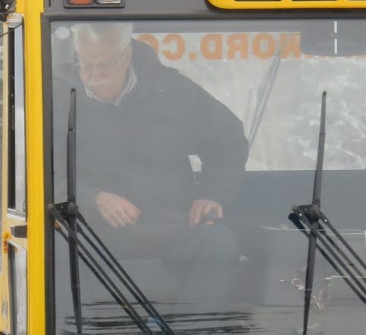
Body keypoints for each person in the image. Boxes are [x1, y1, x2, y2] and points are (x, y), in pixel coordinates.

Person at [71, 22, 248, 312]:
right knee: (54, 252)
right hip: (94, 233)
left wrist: (213, 195)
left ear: (126, 56)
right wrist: (94, 198)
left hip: (170, 224)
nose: (95, 76)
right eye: (87, 65)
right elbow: (41, 173)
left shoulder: (171, 92)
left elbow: (229, 142)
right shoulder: (57, 97)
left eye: (104, 66)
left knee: (218, 244)